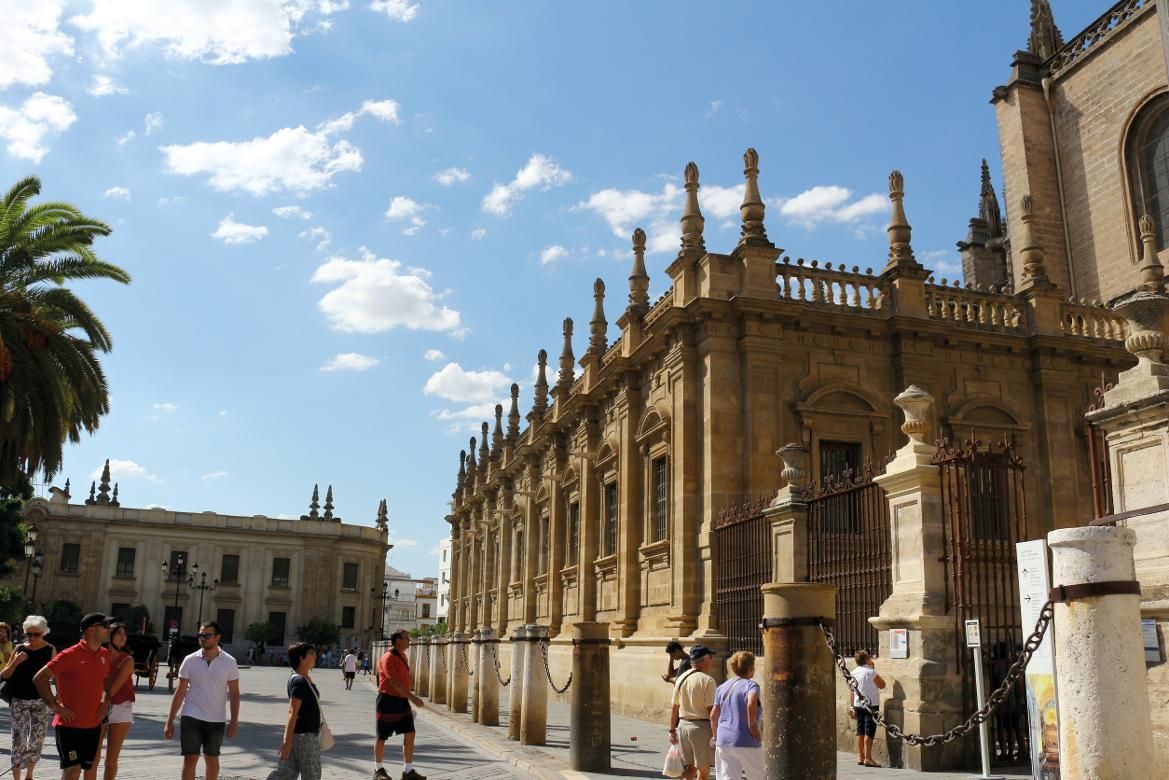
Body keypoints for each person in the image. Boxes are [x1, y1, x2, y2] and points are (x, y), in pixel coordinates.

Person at [32, 612, 112, 780]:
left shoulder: (105, 654)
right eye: (104, 626)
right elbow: (39, 678)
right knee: (73, 771)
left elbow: (106, 681)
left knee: (85, 770)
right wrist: (56, 706)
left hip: (93, 726)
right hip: (69, 726)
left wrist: (106, 701)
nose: (108, 629)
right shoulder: (70, 654)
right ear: (90, 630)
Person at [164, 621, 241, 780]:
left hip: (216, 718)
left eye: (207, 635)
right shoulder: (190, 660)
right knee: (190, 758)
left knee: (212, 759)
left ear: (217, 637)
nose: (203, 638)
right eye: (200, 635)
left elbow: (234, 694)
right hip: (191, 715)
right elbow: (180, 692)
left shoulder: (230, 662)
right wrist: (169, 720)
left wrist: (233, 722)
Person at [1, 615, 56, 780]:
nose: (32, 638)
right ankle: (16, 777)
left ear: (44, 633)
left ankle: (29, 775)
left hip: (41, 701)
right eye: (29, 634)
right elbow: (4, 675)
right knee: (18, 740)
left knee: (36, 740)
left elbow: (58, 675)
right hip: (19, 700)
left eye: (36, 634)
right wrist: (16, 662)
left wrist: (58, 698)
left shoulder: (50, 650)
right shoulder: (19, 649)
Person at [84, 622, 135, 780]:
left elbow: (113, 688)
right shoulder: (98, 655)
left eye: (124, 634)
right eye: (118, 633)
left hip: (120, 708)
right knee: (92, 757)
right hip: (97, 707)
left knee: (111, 761)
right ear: (109, 636)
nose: (123, 637)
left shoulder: (127, 660)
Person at [266, 643, 324, 780]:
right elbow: (292, 712)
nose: (315, 656)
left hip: (299, 735)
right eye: (311, 653)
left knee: (286, 774)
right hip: (305, 737)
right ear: (301, 658)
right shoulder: (299, 681)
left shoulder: (300, 679)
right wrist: (286, 741)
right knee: (312, 775)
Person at [373, 630, 426, 780]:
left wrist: (409, 696)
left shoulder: (403, 656)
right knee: (381, 736)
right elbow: (394, 681)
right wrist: (413, 697)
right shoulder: (388, 657)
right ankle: (378, 770)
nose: (409, 640)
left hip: (402, 701)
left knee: (410, 733)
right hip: (387, 700)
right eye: (406, 638)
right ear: (398, 640)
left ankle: (407, 770)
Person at [710, 651, 763, 780]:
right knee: (757, 776)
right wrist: (752, 725)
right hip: (746, 738)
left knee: (728, 777)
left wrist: (715, 735)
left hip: (723, 739)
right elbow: (751, 702)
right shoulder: (751, 685)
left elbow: (713, 716)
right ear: (751, 668)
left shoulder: (722, 687)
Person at [669, 645, 717, 780]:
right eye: (710, 657)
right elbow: (711, 711)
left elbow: (674, 708)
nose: (712, 660)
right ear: (703, 661)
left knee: (691, 768)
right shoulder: (707, 680)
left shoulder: (681, 678)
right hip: (700, 729)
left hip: (683, 727)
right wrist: (716, 734)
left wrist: (672, 730)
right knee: (703, 770)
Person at [848, 649, 886, 768]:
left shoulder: (853, 672)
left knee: (860, 731)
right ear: (866, 659)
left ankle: (861, 756)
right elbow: (882, 684)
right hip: (871, 705)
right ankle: (868, 758)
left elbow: (852, 691)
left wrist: (852, 705)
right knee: (869, 731)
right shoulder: (870, 672)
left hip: (858, 705)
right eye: (869, 657)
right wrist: (873, 669)